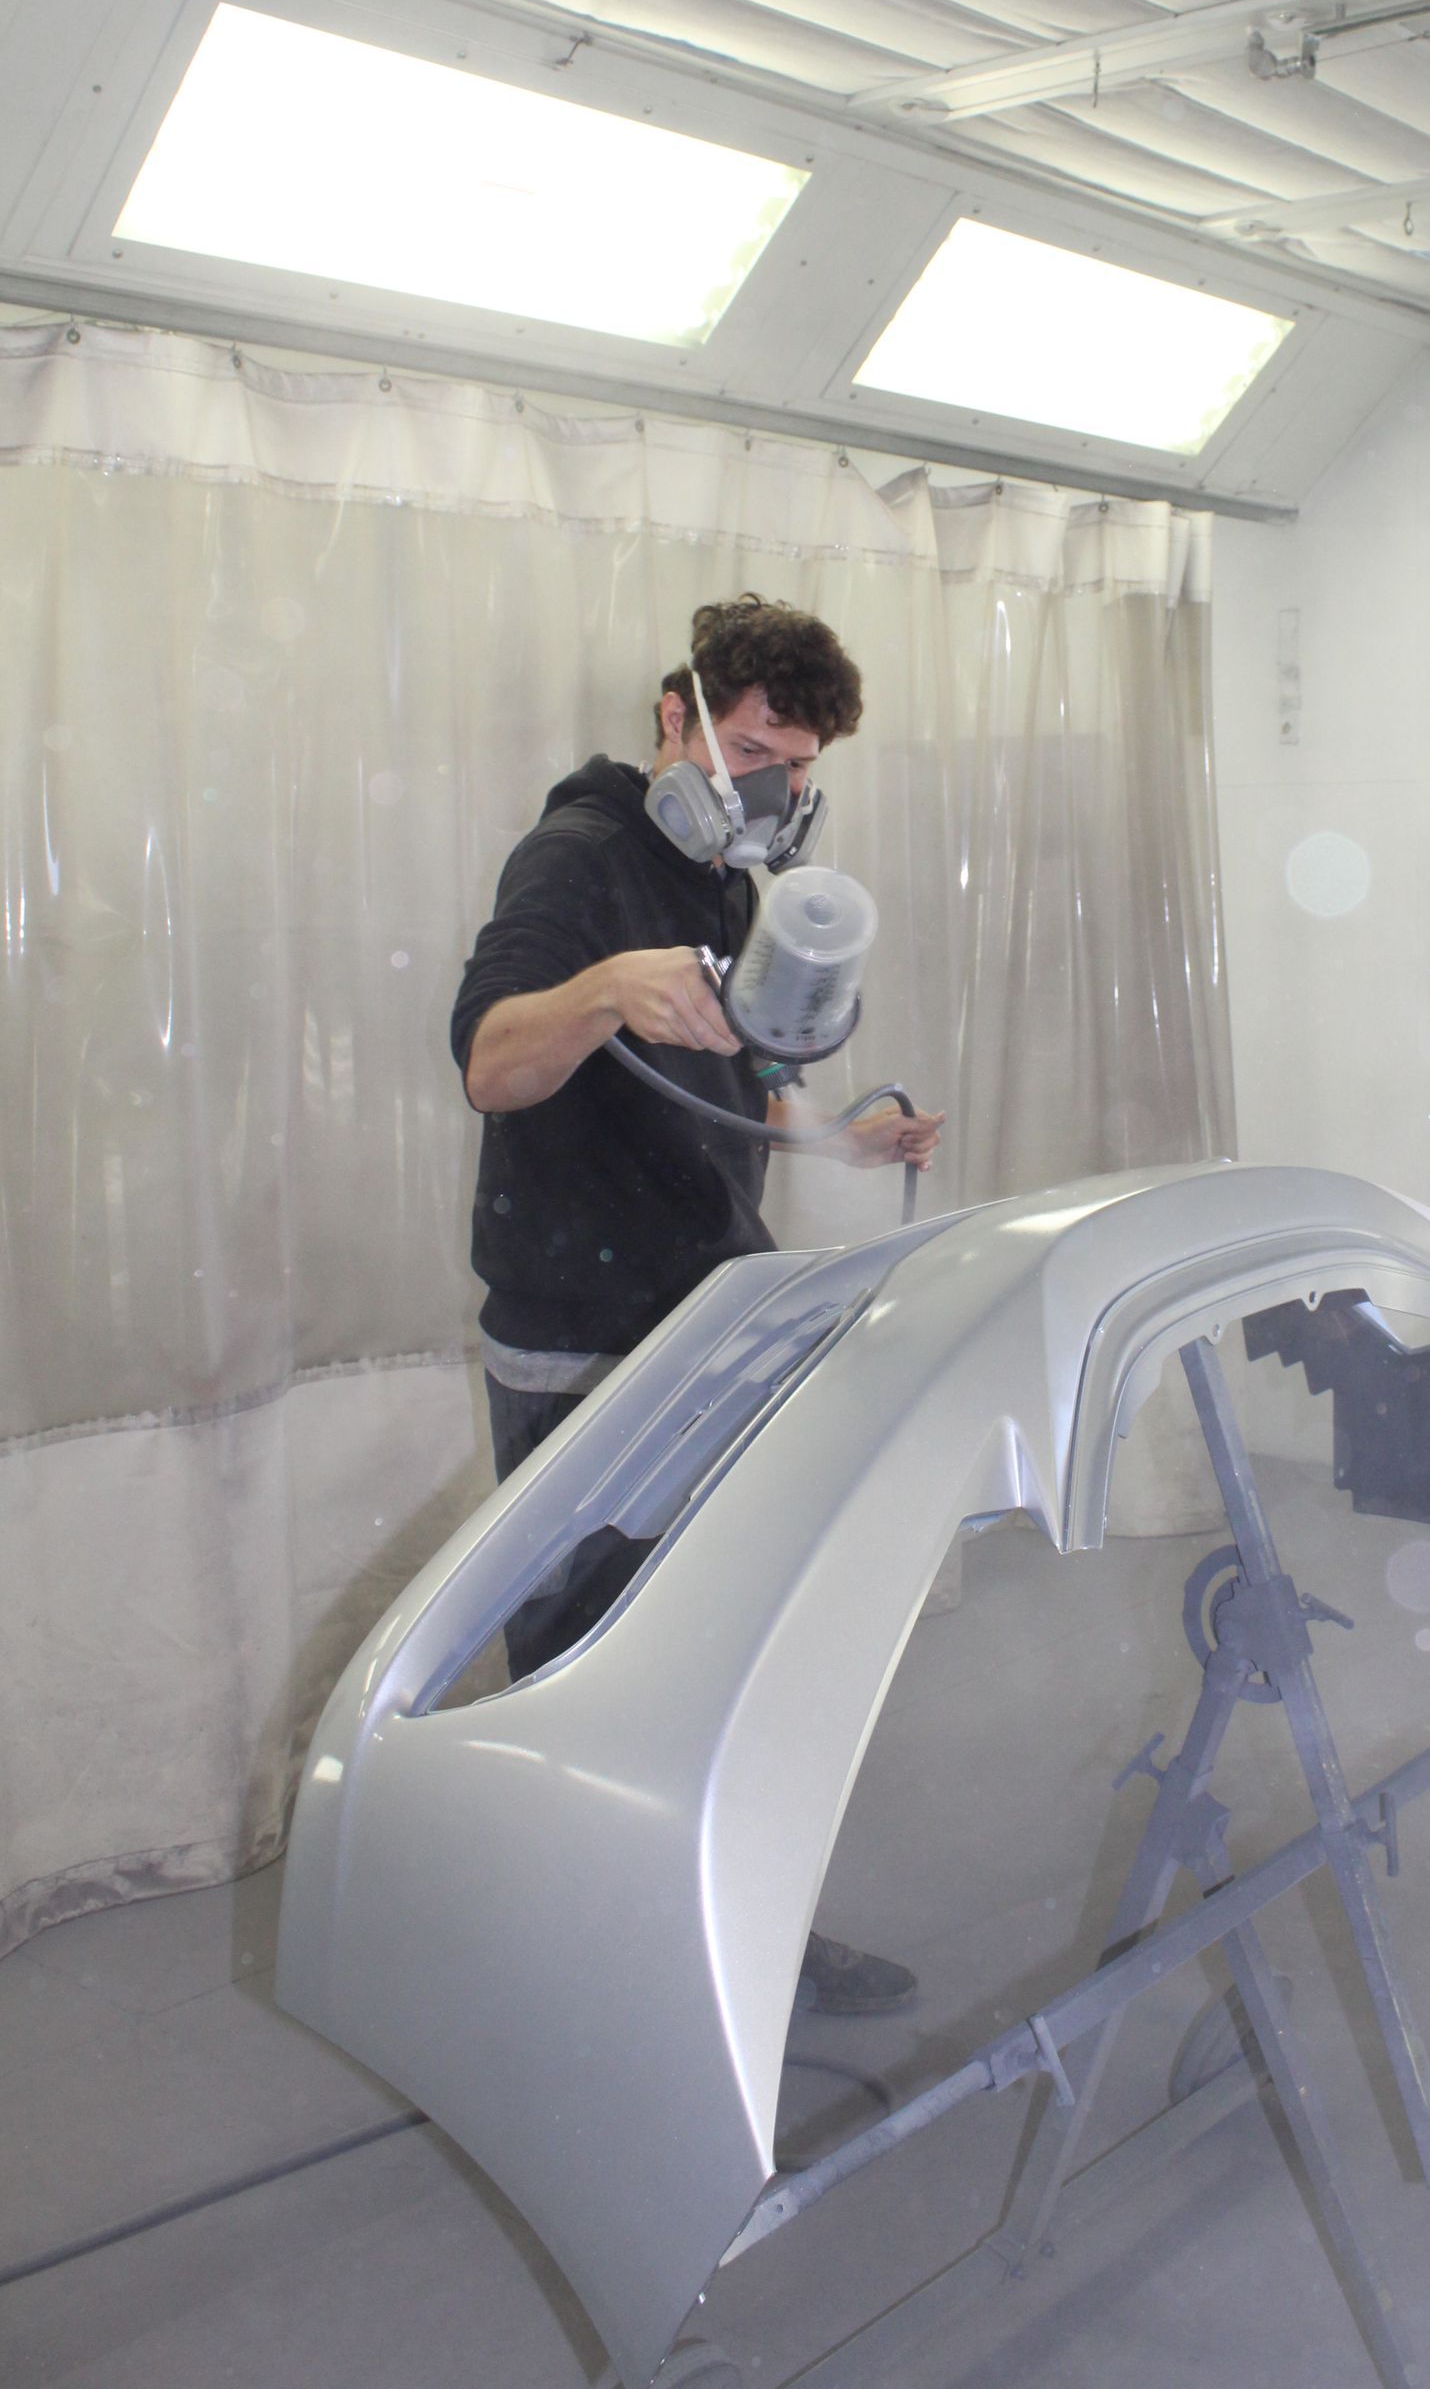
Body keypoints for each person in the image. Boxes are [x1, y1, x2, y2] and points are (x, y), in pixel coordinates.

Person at [450, 592, 944, 2015]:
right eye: (752, 753)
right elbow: (492, 1063)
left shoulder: (737, 879)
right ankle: (576, 1990)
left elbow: (742, 1078)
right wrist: (602, 985)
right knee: (582, 1686)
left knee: (716, 1669)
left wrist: (842, 1134)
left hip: (707, 1324)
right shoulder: (580, 857)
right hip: (581, 1346)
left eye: (797, 768)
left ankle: (730, 1951)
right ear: (676, 721)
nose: (775, 791)